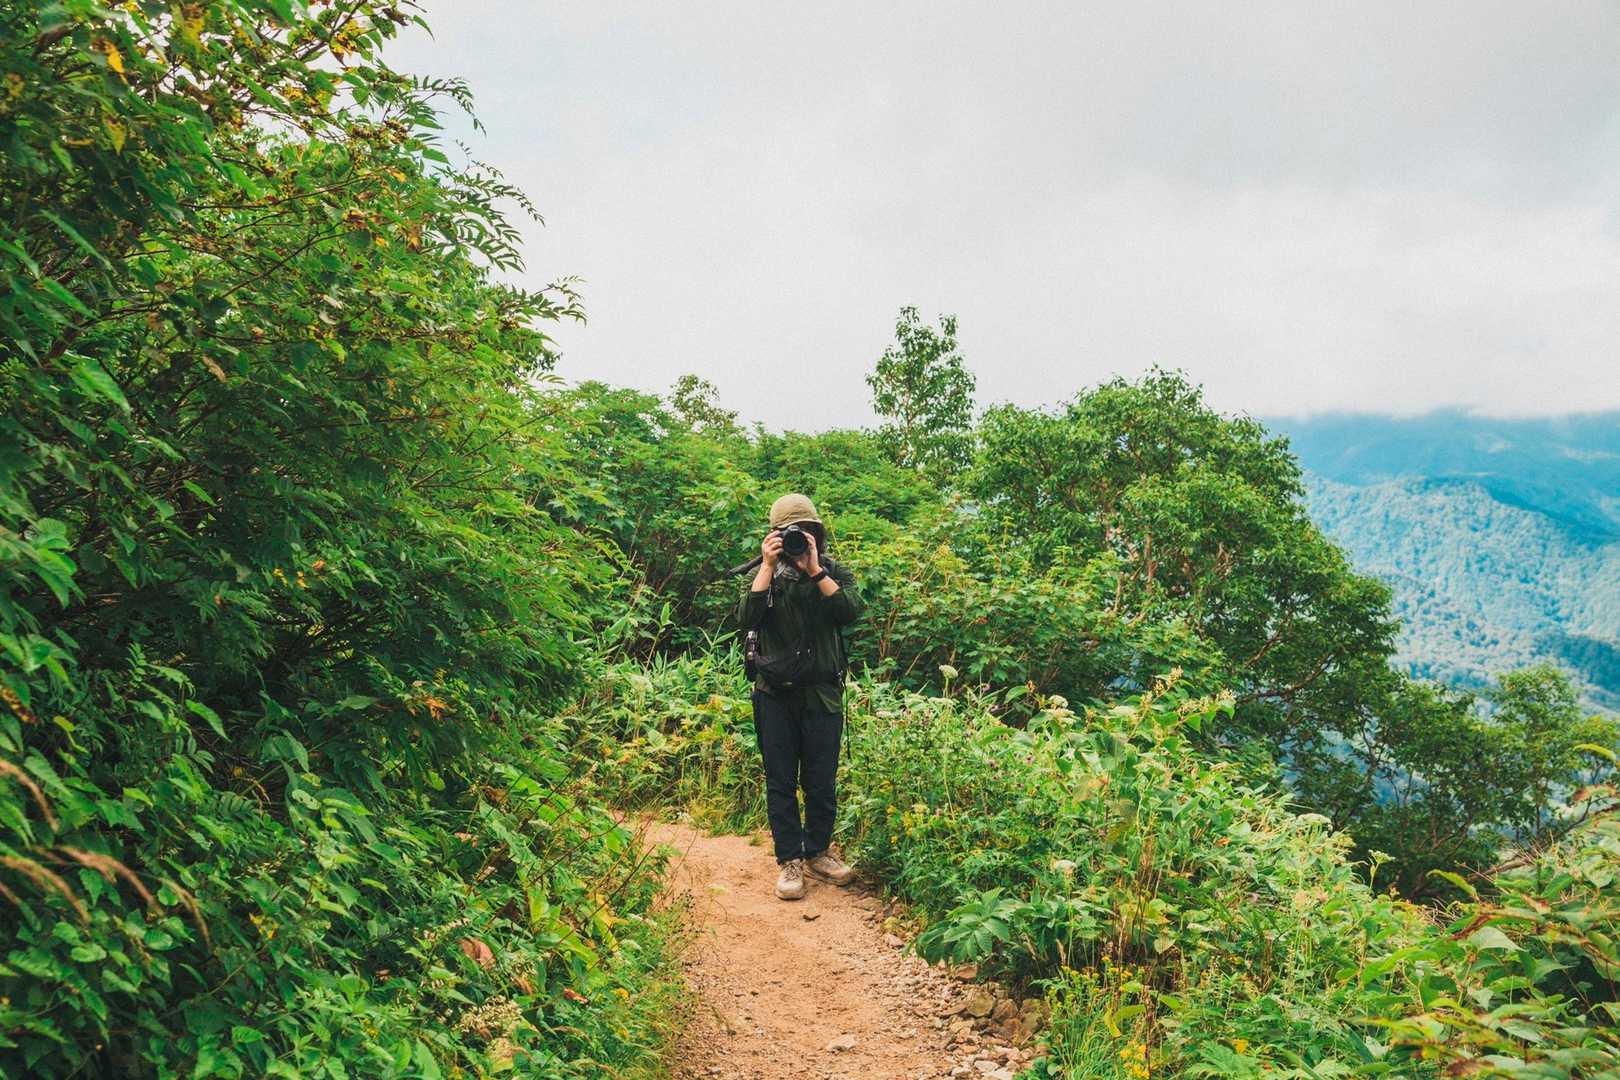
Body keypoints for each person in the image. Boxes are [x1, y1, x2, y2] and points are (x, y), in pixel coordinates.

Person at [736, 493, 865, 900]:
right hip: (774, 695)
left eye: (807, 531)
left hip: (822, 695)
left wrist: (814, 570)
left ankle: (818, 853)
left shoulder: (832, 572)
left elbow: (851, 611)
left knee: (821, 780)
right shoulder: (766, 574)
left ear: (817, 535)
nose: (799, 538)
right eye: (790, 533)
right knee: (780, 780)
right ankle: (790, 860)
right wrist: (767, 565)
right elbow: (745, 618)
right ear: (774, 536)